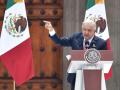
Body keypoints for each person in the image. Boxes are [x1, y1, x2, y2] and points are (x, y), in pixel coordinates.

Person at [44, 20, 107, 90]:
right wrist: (51, 30)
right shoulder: (75, 37)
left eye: (89, 30)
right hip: (76, 75)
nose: (86, 32)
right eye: (84, 30)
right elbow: (60, 41)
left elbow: (104, 61)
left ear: (94, 31)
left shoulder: (101, 43)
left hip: (92, 77)